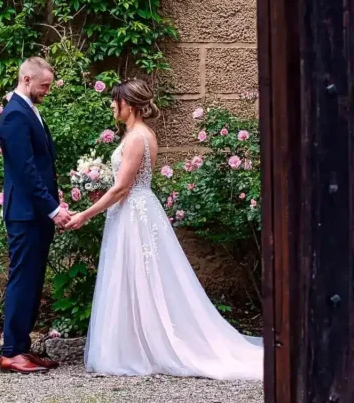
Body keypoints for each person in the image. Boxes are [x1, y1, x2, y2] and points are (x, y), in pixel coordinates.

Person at [64, 79, 263, 380]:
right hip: (134, 210)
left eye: (114, 101)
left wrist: (85, 215)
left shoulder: (136, 138)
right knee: (135, 277)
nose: (111, 106)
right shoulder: (137, 134)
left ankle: (144, 348)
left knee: (142, 276)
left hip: (134, 212)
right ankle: (135, 343)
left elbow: (121, 189)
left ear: (128, 104)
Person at [0, 57, 71, 374]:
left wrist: (54, 197)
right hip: (25, 214)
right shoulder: (14, 115)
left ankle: (22, 348)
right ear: (27, 79)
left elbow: (41, 165)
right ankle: (11, 351)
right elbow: (26, 171)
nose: (47, 91)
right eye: (44, 85)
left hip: (35, 211)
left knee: (34, 280)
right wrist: (53, 209)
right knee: (22, 279)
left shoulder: (27, 110)